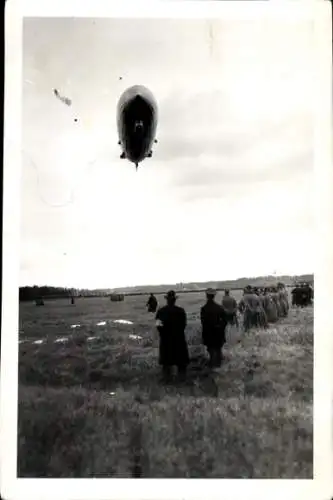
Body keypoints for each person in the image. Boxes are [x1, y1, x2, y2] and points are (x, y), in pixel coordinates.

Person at [155, 290, 189, 383]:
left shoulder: (161, 311)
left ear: (167, 300)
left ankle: (167, 380)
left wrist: (163, 334)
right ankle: (182, 381)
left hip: (166, 340)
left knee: (166, 362)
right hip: (179, 339)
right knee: (181, 362)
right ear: (174, 300)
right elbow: (184, 325)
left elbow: (158, 325)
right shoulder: (181, 311)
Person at [200, 288, 228, 368]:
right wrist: (220, 328)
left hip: (209, 333)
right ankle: (220, 368)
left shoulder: (204, 308)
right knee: (218, 350)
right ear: (214, 296)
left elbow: (203, 323)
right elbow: (225, 321)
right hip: (219, 333)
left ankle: (213, 369)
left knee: (211, 352)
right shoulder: (219, 307)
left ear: (207, 296)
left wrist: (204, 336)